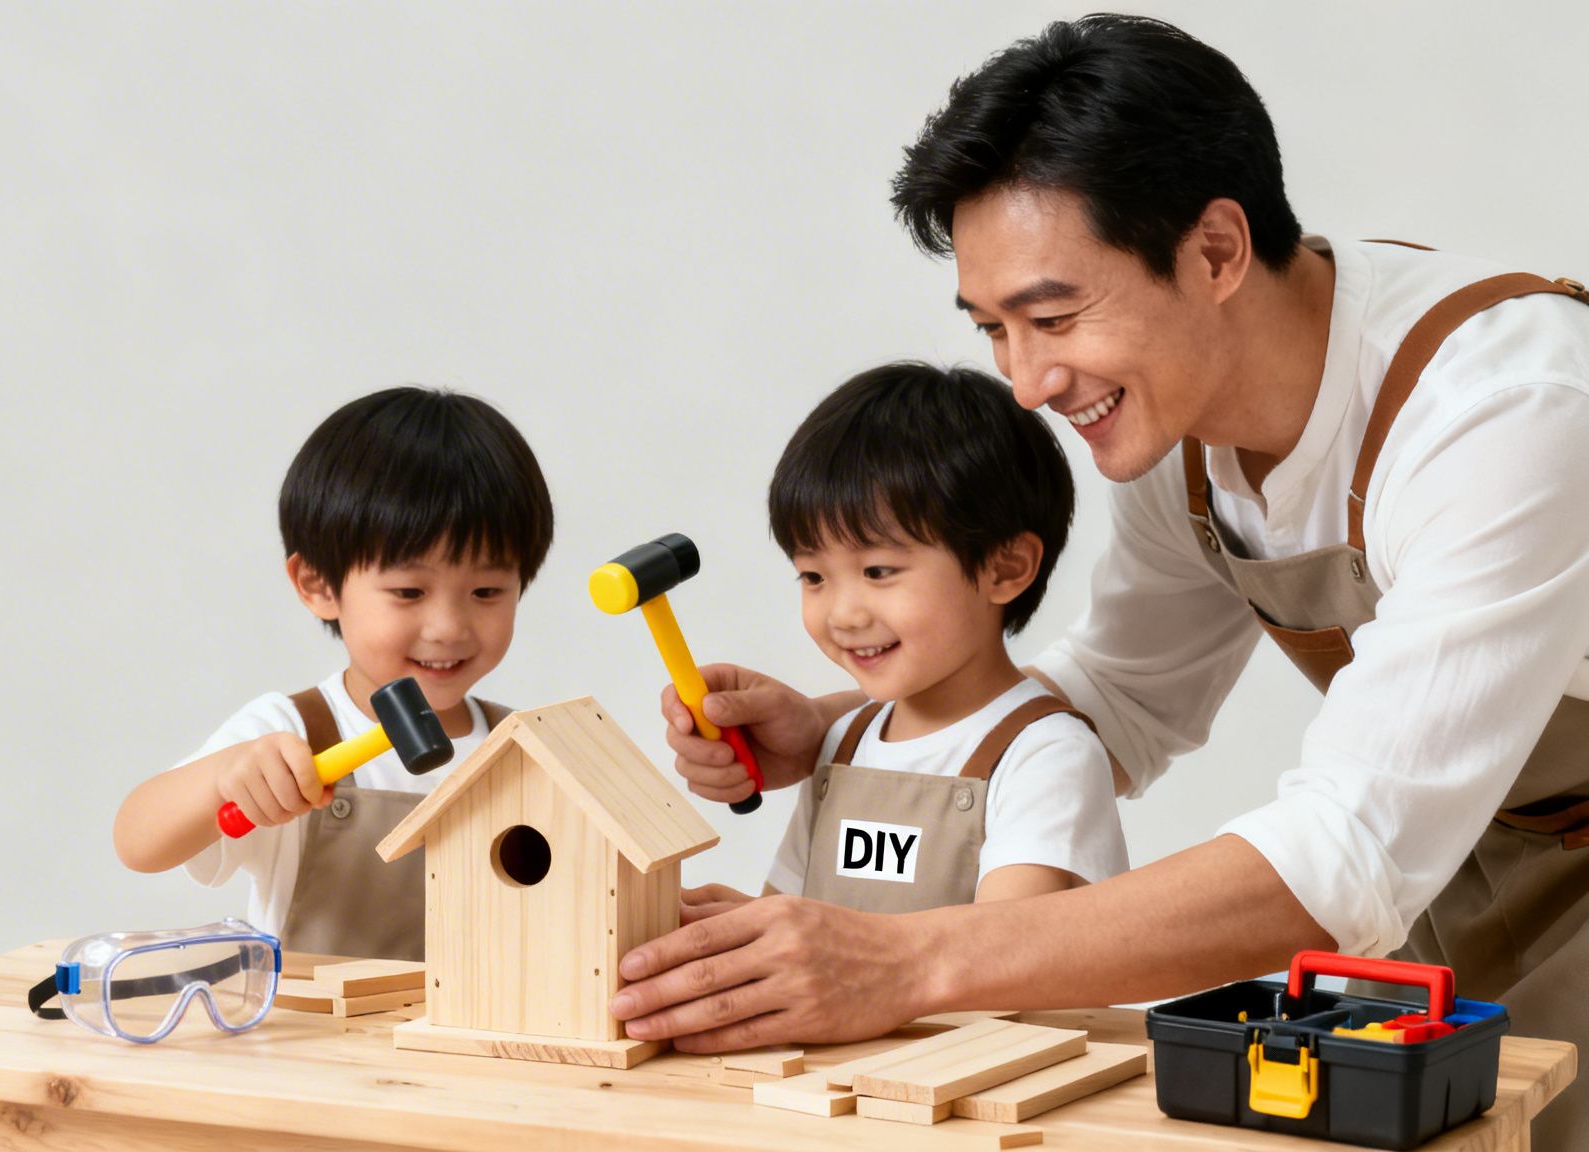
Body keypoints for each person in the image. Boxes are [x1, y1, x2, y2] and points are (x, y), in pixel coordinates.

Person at [609, 14, 1589, 1146]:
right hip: (1466, 850)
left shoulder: (1501, 416)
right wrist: (849, 731)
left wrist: (897, 959)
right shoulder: (1173, 426)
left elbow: (1344, 850)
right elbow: (1121, 698)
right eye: (992, 331)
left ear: (1214, 252)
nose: (1024, 384)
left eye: (1052, 316)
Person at [112, 386, 554, 962]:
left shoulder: (525, 750)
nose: (448, 626)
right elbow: (137, 841)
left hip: (472, 1045)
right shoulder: (289, 734)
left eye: (487, 591)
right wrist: (227, 775)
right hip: (315, 1046)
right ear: (318, 585)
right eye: (409, 591)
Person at [742, 361, 1125, 914]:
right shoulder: (845, 743)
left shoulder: (1046, 755)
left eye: (877, 571)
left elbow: (1004, 957)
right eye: (814, 577)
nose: (843, 615)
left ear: (1005, 569)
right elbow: (789, 920)